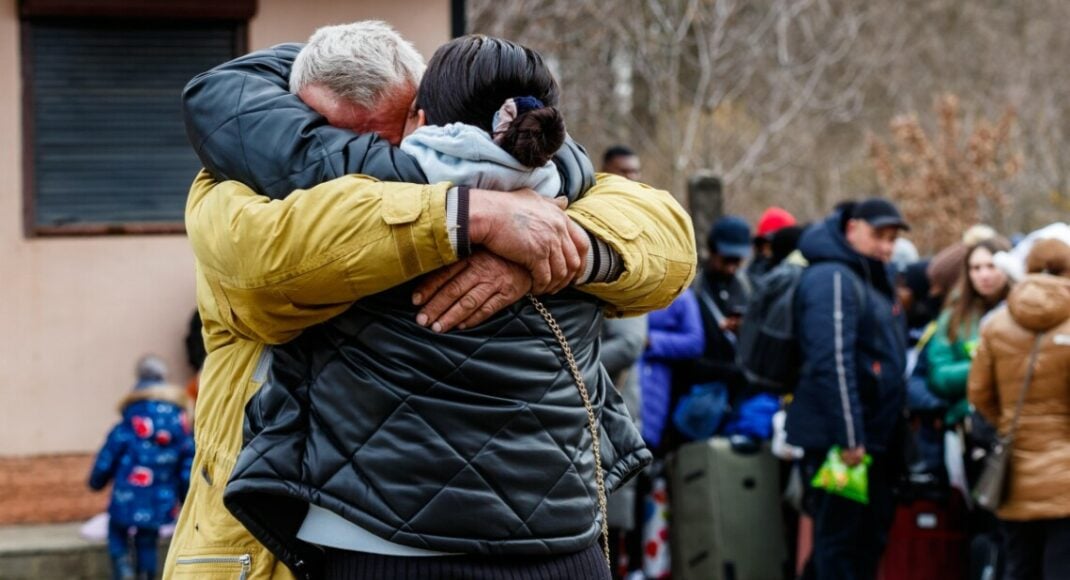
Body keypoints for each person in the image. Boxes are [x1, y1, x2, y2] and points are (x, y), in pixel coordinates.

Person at [168, 24, 697, 580]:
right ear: (297, 123)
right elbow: (263, 274)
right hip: (282, 548)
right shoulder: (241, 188)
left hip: (537, 544)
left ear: (423, 112)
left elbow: (670, 243)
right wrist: (473, 219)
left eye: (394, 131)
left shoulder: (533, 183)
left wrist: (554, 251)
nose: (382, 156)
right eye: (347, 140)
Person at [787, 197, 910, 580]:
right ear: (852, 228)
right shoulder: (834, 277)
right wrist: (851, 437)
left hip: (867, 441)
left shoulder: (864, 274)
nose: (887, 247)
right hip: (842, 445)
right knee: (839, 548)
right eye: (879, 236)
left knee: (855, 546)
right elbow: (832, 362)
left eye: (893, 239)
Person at [968, 238, 1070, 580]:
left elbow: (978, 392)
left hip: (1014, 470)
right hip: (1066, 476)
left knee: (1019, 564)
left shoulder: (996, 326)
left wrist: (1010, 423)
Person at [89, 355, 193, 580]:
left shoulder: (131, 417)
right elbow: (187, 462)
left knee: (116, 530)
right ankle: (146, 575)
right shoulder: (179, 423)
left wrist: (97, 479)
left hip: (127, 493)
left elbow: (110, 451)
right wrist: (187, 494)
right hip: (160, 496)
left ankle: (123, 567)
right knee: (147, 538)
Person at [927, 238, 1012, 426]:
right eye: (976, 268)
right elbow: (939, 376)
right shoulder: (954, 316)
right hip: (969, 419)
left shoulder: (1025, 311)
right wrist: (984, 363)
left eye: (992, 266)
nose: (984, 275)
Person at [747, 206, 797, 284]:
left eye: (772, 246)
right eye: (763, 246)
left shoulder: (794, 274)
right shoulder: (751, 274)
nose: (766, 252)